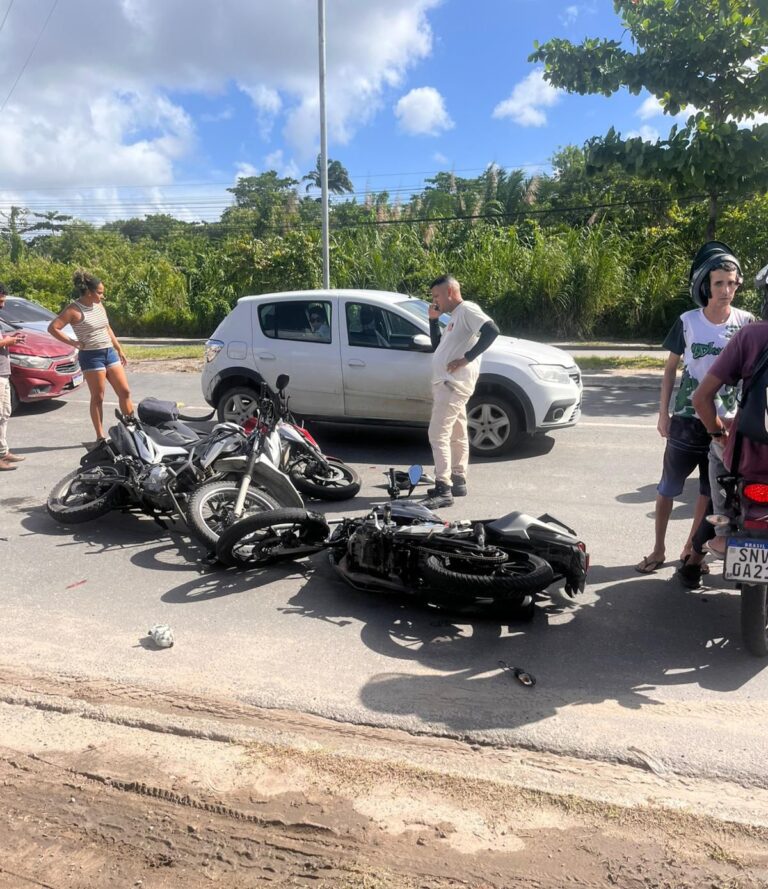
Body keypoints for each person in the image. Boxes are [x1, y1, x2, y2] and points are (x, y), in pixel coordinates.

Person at [635, 241, 753, 574]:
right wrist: (663, 413)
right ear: (706, 285)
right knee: (668, 488)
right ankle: (658, 549)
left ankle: (691, 549)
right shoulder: (687, 322)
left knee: (708, 492)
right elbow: (671, 368)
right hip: (688, 419)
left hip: (726, 422)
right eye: (719, 283)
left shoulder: (746, 322)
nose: (726, 290)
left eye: (731, 283)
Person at [686, 263, 768, 581]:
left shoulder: (750, 335)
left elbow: (700, 398)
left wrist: (718, 433)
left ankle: (723, 527)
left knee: (714, 451)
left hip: (751, 459)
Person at [425, 274, 499, 507]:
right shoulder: (454, 317)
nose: (435, 301)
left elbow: (492, 330)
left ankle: (443, 489)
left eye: (437, 296)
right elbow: (438, 348)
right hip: (449, 383)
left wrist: (466, 359)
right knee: (457, 434)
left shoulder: (467, 309)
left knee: (437, 435)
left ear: (450, 292)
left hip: (452, 384)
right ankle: (458, 480)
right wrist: (433, 320)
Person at [48, 270, 134, 444]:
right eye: (100, 292)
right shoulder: (73, 309)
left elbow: (107, 328)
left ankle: (132, 428)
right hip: (91, 356)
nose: (103, 296)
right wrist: (74, 342)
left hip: (108, 352)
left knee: (125, 391)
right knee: (98, 397)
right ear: (89, 292)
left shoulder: (99, 306)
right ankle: (100, 436)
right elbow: (53, 328)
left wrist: (119, 348)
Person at [0, 284, 27, 471]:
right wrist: (8, 341)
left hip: (3, 372)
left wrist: (9, 338)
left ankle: (3, 451)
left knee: (4, 413)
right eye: (0, 301)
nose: (2, 305)